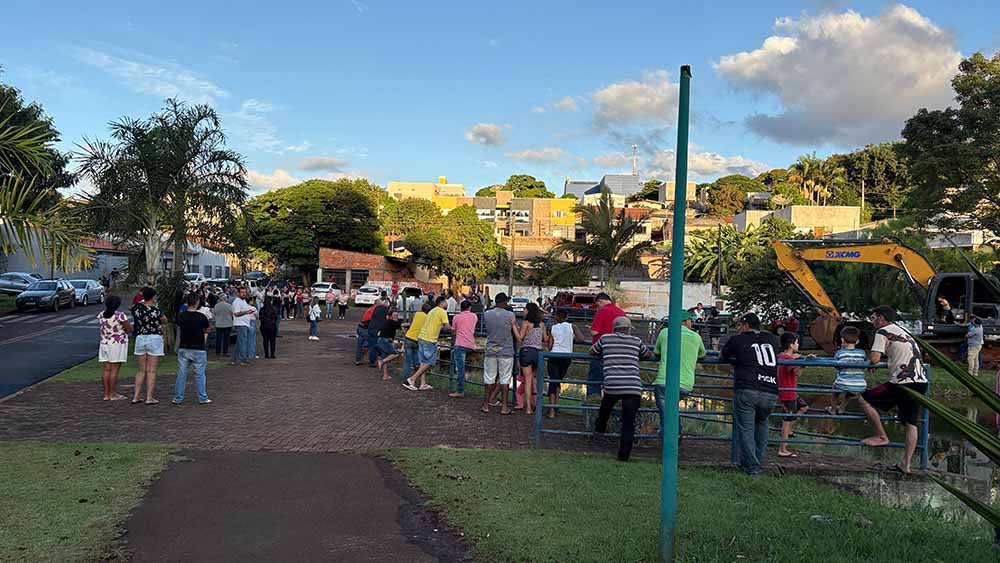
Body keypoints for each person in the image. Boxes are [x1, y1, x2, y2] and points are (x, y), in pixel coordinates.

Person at [860, 305, 929, 475]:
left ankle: (881, 436)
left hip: (902, 382)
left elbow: (875, 358)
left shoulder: (882, 332)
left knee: (864, 399)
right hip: (920, 381)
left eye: (874, 317)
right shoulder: (903, 330)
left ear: (881, 318)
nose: (873, 321)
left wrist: (872, 362)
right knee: (910, 423)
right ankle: (905, 464)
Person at [722, 313, 780, 476]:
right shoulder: (772, 339)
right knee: (762, 424)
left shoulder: (737, 339)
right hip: (771, 389)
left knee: (746, 428)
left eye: (741, 325)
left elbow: (723, 355)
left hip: (747, 388)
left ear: (746, 325)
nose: (739, 328)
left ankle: (752, 467)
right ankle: (758, 460)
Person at [592, 316, 651, 462]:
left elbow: (592, 351)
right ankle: (624, 455)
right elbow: (647, 354)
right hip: (632, 386)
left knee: (606, 406)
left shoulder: (606, 339)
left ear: (614, 328)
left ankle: (599, 428)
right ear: (629, 329)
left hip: (612, 384)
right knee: (628, 423)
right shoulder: (636, 341)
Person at [652, 311, 706, 439]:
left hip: (664, 381)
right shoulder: (696, 337)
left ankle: (669, 442)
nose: (692, 323)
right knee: (672, 411)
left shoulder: (664, 333)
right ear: (685, 322)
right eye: (690, 321)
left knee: (666, 416)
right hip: (685, 384)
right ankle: (676, 436)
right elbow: (703, 355)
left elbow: (657, 352)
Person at [172, 293, 212, 405]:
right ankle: (202, 397)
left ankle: (178, 397)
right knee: (199, 374)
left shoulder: (181, 316)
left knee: (182, 373)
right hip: (198, 347)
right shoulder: (201, 317)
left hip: (184, 346)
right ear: (197, 302)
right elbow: (207, 329)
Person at [776, 332, 811, 458]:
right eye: (796, 342)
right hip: (787, 393)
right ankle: (783, 449)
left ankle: (790, 429)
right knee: (786, 421)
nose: (798, 344)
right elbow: (797, 373)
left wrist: (799, 358)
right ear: (791, 345)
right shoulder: (788, 360)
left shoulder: (781, 356)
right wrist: (805, 363)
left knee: (804, 407)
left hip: (790, 392)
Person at [404, 297, 450, 391]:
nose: (447, 304)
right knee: (430, 361)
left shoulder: (432, 311)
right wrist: (456, 330)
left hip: (421, 337)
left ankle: (422, 383)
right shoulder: (442, 311)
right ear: (442, 303)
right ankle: (412, 379)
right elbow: (447, 326)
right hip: (429, 339)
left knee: (423, 362)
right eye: (446, 302)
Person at [131, 287, 167, 405]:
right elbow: (164, 320)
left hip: (141, 338)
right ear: (153, 297)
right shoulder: (156, 310)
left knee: (141, 370)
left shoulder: (137, 310)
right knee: (151, 370)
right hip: (154, 338)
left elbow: (132, 307)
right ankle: (149, 397)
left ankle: (136, 396)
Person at [482, 293, 517, 414]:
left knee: (489, 378)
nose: (507, 304)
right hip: (506, 350)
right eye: (506, 302)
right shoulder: (510, 315)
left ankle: (486, 405)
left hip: (491, 350)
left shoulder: (486, 314)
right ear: (503, 302)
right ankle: (504, 407)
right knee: (505, 379)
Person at [587, 292, 625, 398]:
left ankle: (592, 408)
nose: (597, 308)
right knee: (614, 385)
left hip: (601, 352)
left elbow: (594, 332)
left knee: (594, 382)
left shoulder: (602, 311)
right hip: (619, 354)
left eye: (597, 305)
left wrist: (591, 328)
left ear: (600, 301)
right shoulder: (621, 312)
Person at [546, 309, 580, 418]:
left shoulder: (553, 328)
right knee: (558, 380)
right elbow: (581, 338)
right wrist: (570, 339)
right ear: (567, 317)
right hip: (566, 357)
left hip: (554, 355)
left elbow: (550, 346)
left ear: (557, 317)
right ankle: (556, 405)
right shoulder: (572, 327)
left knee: (553, 381)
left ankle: (551, 409)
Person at [97, 295, 131, 401]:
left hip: (104, 343)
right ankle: (113, 393)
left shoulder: (101, 314)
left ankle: (106, 394)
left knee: (106, 369)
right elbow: (129, 328)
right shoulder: (120, 315)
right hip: (117, 344)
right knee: (114, 370)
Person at [515, 303, 546, 415]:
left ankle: (528, 408)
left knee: (528, 381)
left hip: (527, 352)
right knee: (536, 380)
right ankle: (537, 404)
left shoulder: (526, 323)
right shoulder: (541, 324)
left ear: (528, 311)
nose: (523, 311)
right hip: (538, 353)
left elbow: (520, 338)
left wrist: (514, 326)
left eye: (524, 309)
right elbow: (545, 338)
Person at [828, 326, 867, 415]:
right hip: (860, 385)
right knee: (850, 391)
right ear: (857, 341)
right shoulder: (862, 353)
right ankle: (842, 408)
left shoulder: (840, 353)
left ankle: (833, 409)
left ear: (842, 340)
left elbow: (836, 366)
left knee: (835, 388)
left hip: (843, 383)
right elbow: (864, 366)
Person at [449, 300, 478, 398]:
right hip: (470, 344)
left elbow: (453, 331)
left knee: (460, 369)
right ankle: (469, 377)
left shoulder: (456, 317)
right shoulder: (474, 316)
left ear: (460, 308)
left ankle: (460, 390)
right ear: (469, 308)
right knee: (467, 365)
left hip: (460, 344)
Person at [402, 302, 432, 382]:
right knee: (418, 361)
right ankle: (417, 378)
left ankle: (406, 379)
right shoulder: (428, 317)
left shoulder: (417, 314)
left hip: (408, 337)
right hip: (417, 340)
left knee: (407, 361)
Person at [231, 287, 256, 366]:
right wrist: (247, 312)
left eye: (245, 292)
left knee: (239, 342)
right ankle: (243, 359)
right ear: (238, 293)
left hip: (244, 323)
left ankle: (234, 359)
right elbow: (236, 313)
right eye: (242, 292)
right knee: (243, 342)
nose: (244, 294)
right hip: (240, 324)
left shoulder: (243, 301)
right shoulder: (237, 302)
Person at [375, 310, 403, 381]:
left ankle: (385, 375)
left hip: (381, 340)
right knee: (395, 354)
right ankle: (381, 361)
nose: (396, 317)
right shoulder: (391, 321)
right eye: (394, 315)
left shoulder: (387, 322)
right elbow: (402, 325)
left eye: (397, 315)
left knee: (386, 356)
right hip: (385, 341)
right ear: (390, 316)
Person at [354, 302, 379, 366]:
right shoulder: (376, 309)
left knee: (360, 344)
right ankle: (370, 360)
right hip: (366, 328)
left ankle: (358, 359)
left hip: (361, 326)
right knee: (367, 344)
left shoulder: (371, 308)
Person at [367, 299, 390, 365]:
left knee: (372, 346)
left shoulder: (376, 308)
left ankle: (372, 361)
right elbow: (387, 320)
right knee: (377, 346)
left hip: (371, 328)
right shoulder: (386, 310)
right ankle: (377, 361)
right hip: (377, 330)